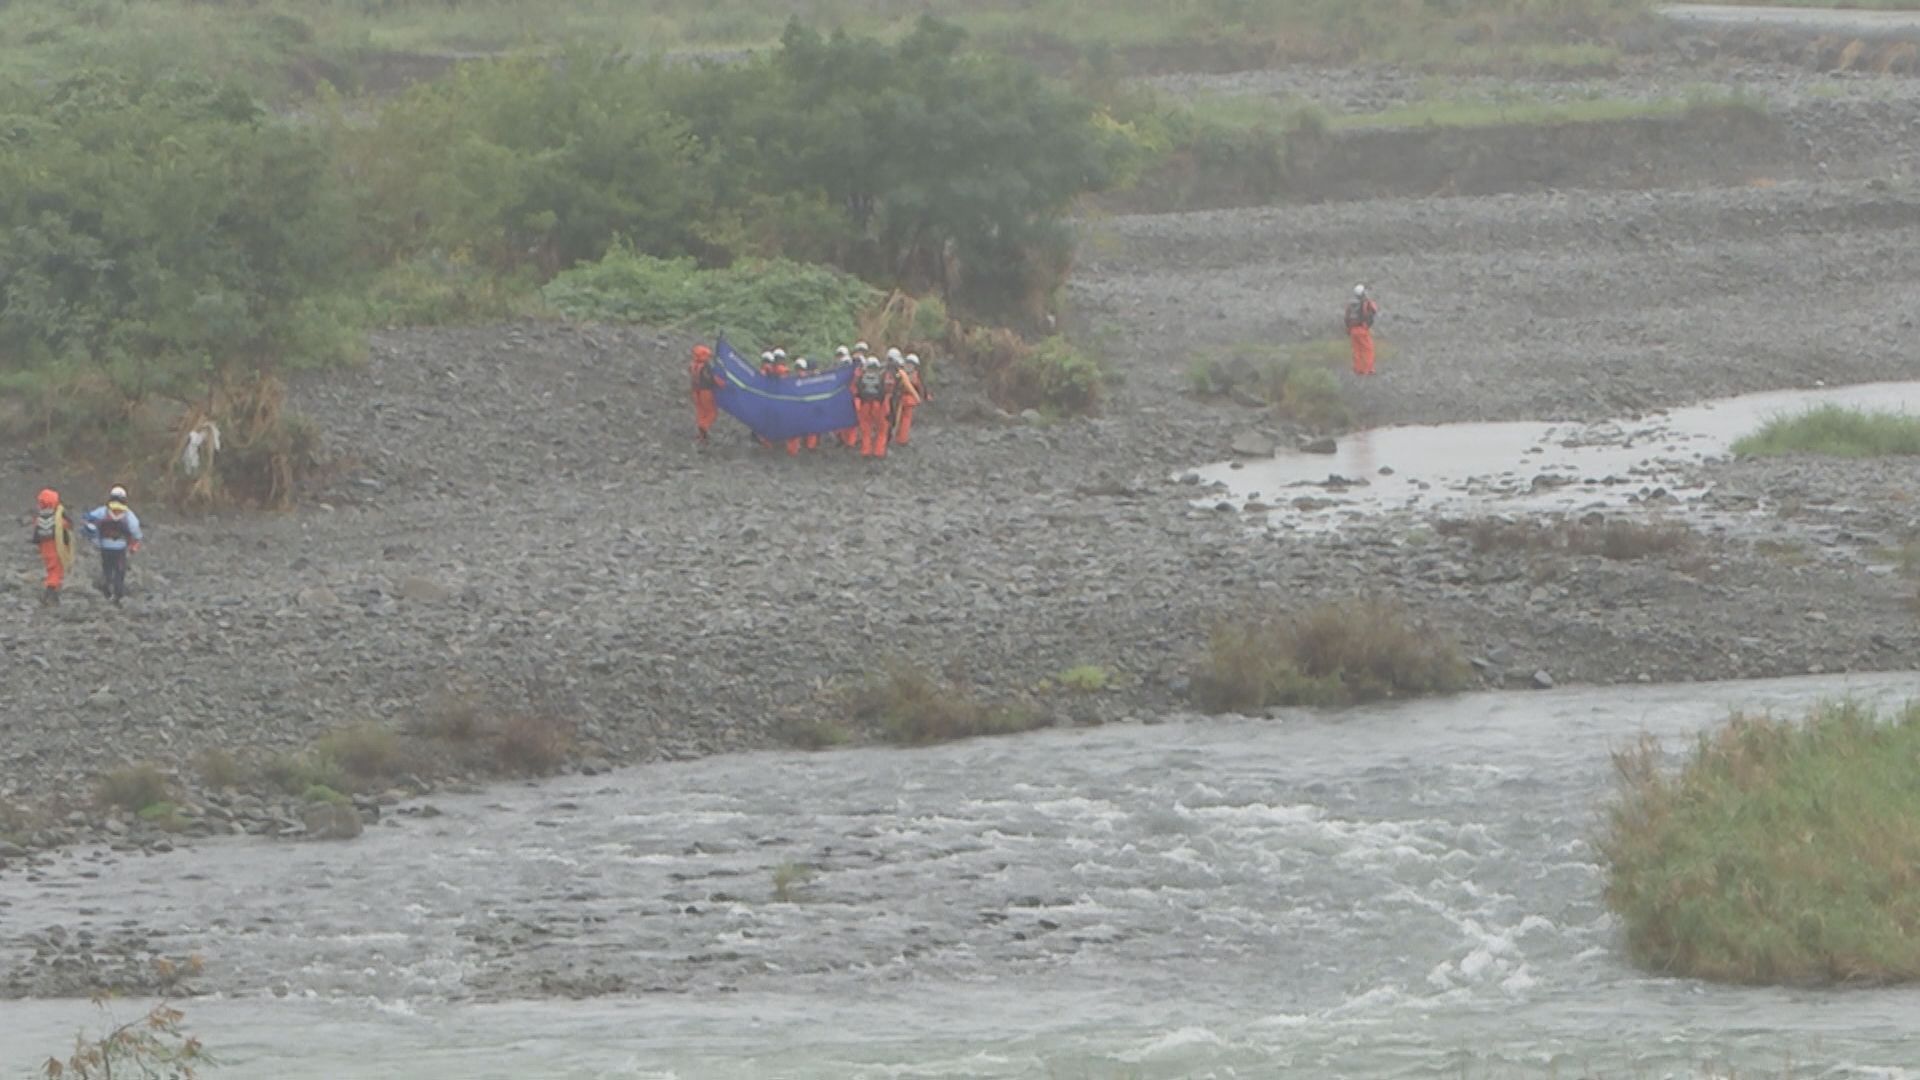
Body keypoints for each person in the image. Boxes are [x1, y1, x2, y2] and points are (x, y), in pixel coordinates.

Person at [82, 485, 142, 604]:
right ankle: (118, 596)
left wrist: (94, 539)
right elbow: (135, 530)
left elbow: (89, 519)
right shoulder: (128, 514)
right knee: (119, 571)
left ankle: (106, 592)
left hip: (104, 547)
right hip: (120, 548)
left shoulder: (103, 511)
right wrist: (135, 543)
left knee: (107, 569)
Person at [28, 488, 75, 605]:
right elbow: (67, 527)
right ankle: (50, 594)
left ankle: (52, 594)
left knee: (51, 569)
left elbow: (36, 535)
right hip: (56, 546)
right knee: (56, 570)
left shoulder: (39, 517)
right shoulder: (58, 516)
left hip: (44, 547)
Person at [852, 354, 896, 458]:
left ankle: (865, 451)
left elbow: (856, 392)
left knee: (865, 430)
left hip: (864, 405)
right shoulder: (882, 378)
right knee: (882, 429)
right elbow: (888, 391)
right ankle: (879, 452)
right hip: (879, 406)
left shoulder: (861, 378)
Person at [893, 353, 929, 446]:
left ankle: (897, 437)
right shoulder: (915, 375)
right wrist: (923, 396)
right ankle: (902, 439)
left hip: (901, 398)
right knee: (906, 420)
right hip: (908, 399)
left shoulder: (901, 372)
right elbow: (921, 387)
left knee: (899, 419)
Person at [1345, 284, 1380, 377]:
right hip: (1362, 329)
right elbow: (1374, 310)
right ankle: (1368, 370)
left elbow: (1346, 317)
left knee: (1357, 350)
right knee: (1368, 349)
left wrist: (1348, 329)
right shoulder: (1366, 303)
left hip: (1352, 330)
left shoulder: (1350, 304)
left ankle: (1358, 369)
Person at [689, 344, 721, 443]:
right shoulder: (705, 366)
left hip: (695, 391)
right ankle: (704, 427)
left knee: (701, 412)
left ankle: (702, 435)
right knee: (712, 412)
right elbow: (711, 378)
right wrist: (720, 384)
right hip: (705, 391)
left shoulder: (692, 365)